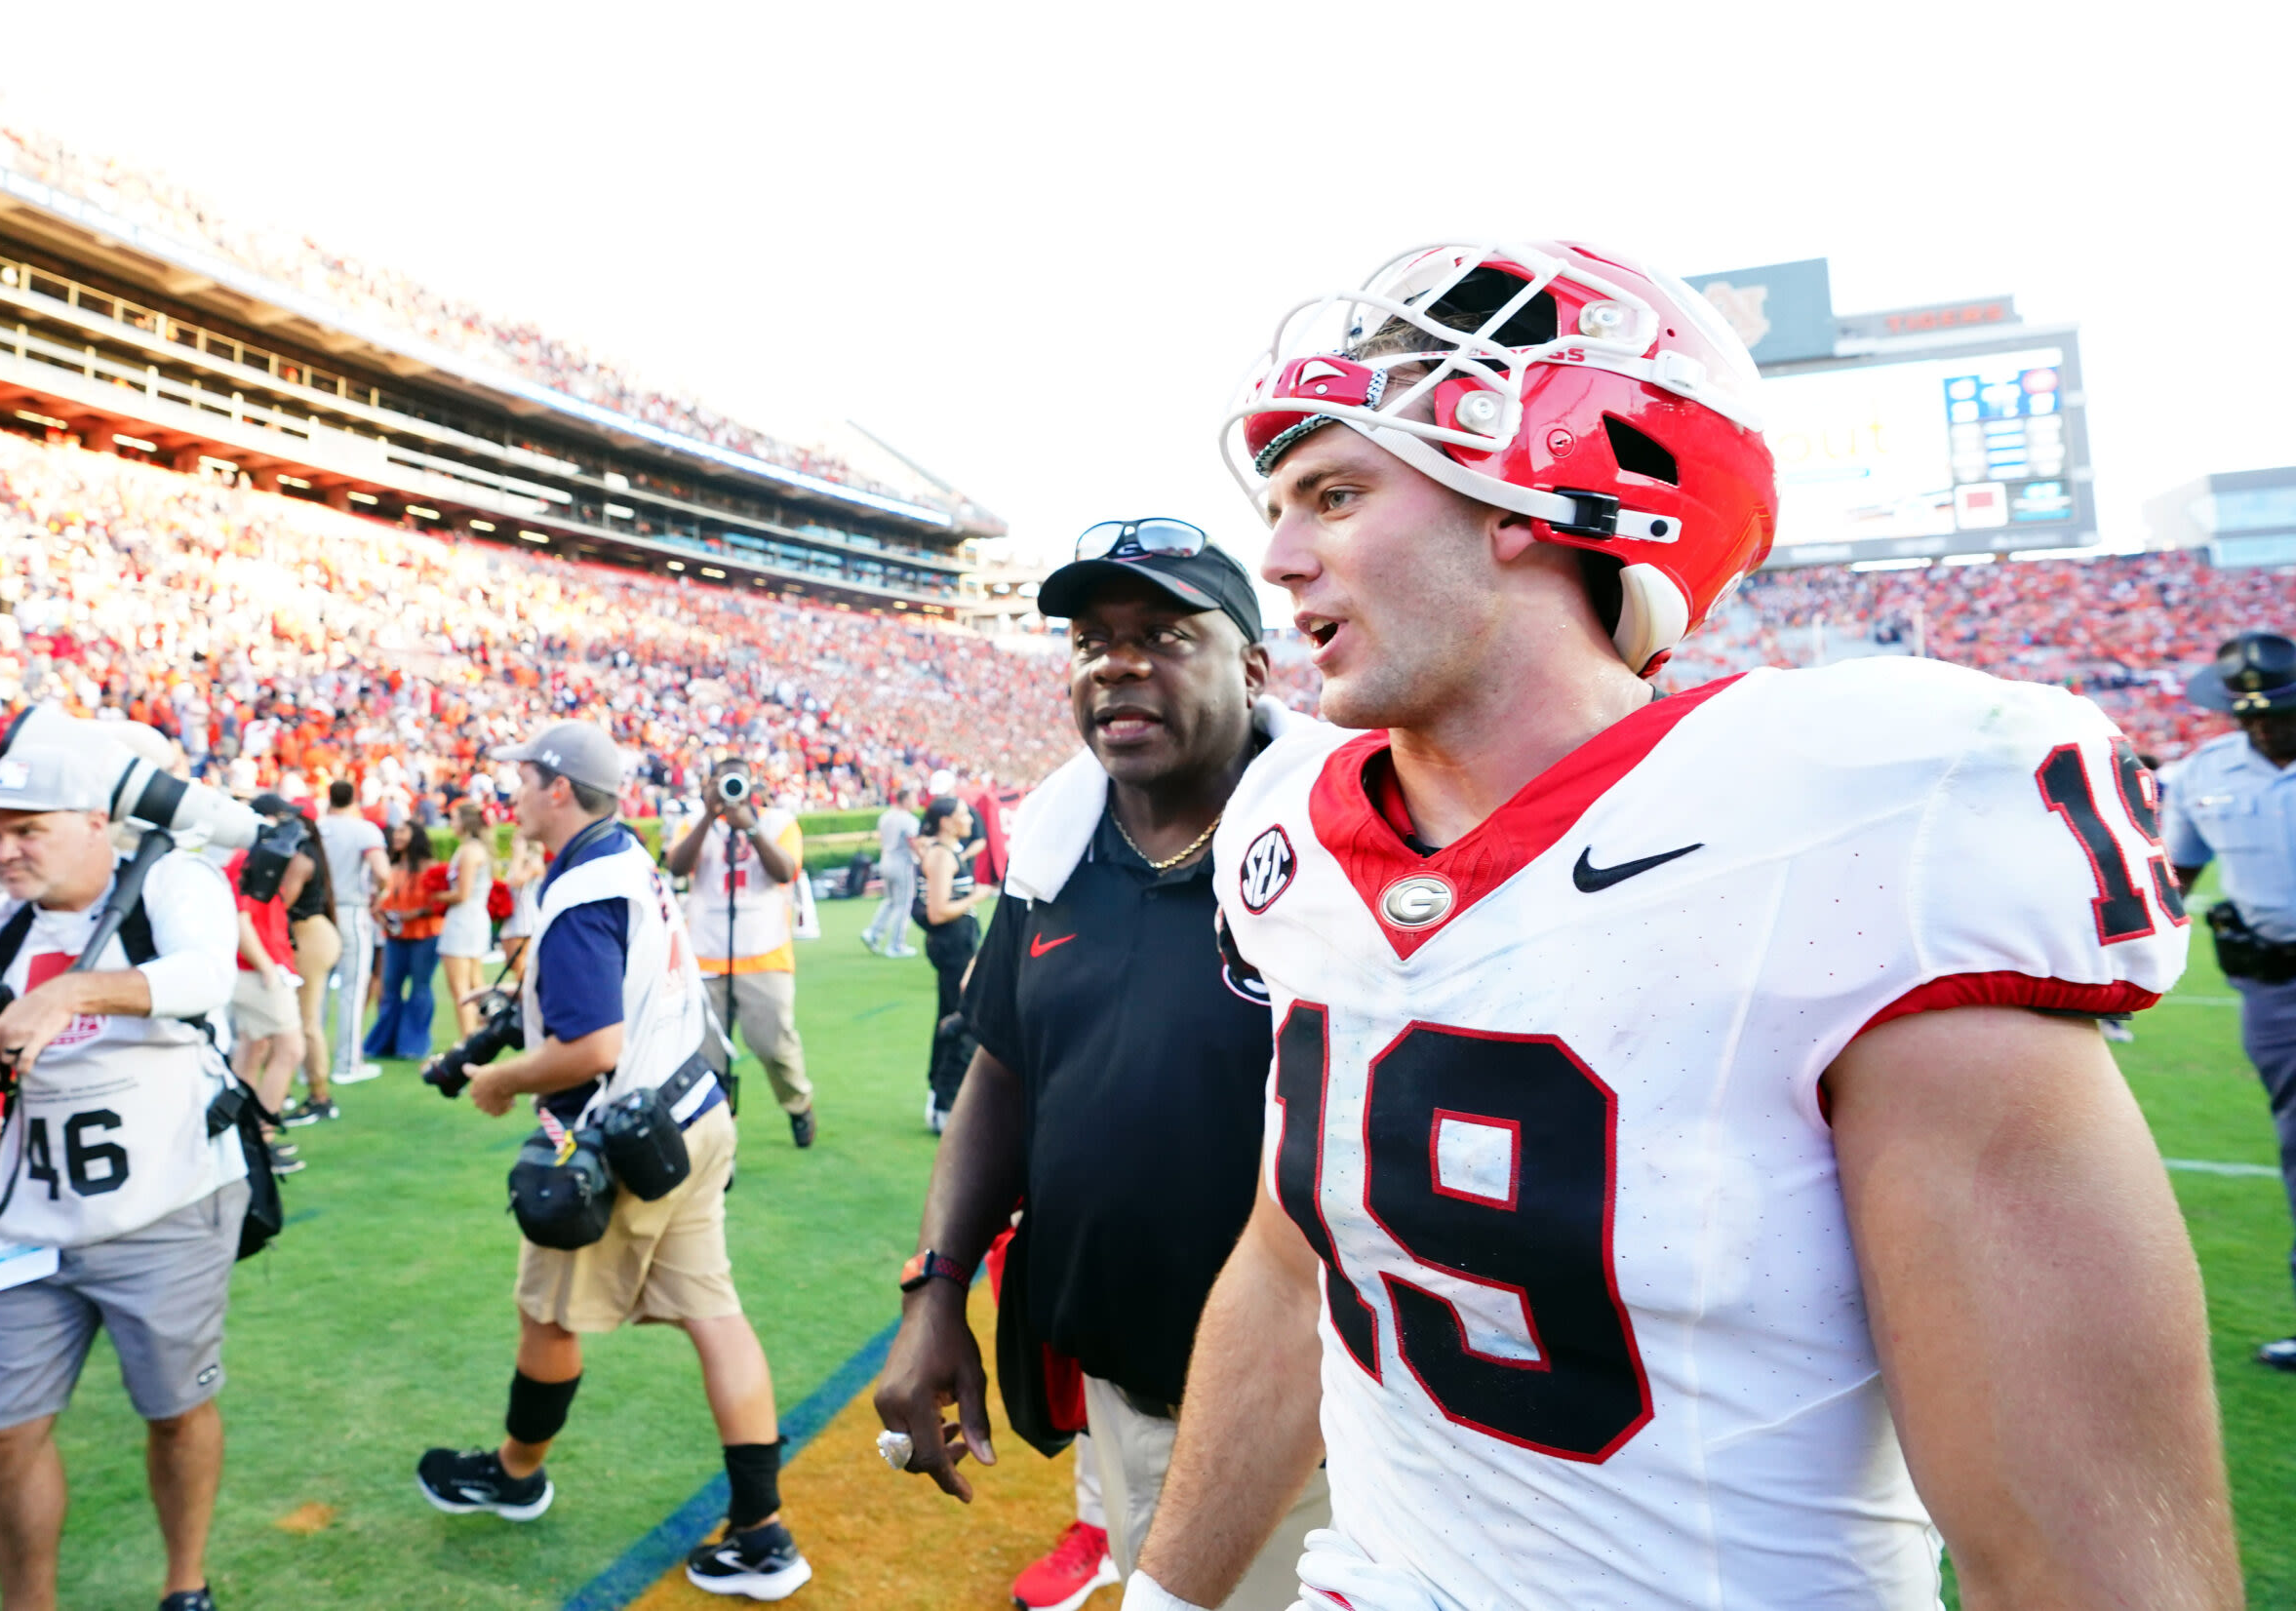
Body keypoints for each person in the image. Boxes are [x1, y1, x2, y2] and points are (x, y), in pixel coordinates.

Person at [1121, 241, 2234, 1610]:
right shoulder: (1289, 830)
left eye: (1336, 496)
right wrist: (1166, 1596)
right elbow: (1296, 1264)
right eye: (1283, 506)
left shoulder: (1864, 815)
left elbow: (2089, 1568)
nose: (1279, 560)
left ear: (1533, 496)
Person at [873, 530, 1327, 1611]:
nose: (1116, 664)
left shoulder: (1331, 839)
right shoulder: (1055, 852)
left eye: (1165, 635)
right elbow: (1005, 1070)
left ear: (1254, 668)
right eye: (1092, 641)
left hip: (1302, 1416)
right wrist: (935, 1283)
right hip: (1122, 1392)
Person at [415, 722, 811, 1600]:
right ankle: (762, 1531)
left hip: (624, 1133)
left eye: (523, 777)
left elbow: (593, 1044)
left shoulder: (582, 888)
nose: (512, 793)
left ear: (559, 788)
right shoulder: (623, 856)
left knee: (549, 1319)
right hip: (692, 1114)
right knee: (715, 1316)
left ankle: (515, 1475)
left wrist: (505, 1080)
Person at [0, 735, 246, 1611]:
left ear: (98, 822)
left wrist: (73, 992)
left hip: (166, 1205)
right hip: (28, 1216)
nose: (3, 849)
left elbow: (205, 975)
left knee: (173, 1412)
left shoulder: (170, 881)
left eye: (27, 829)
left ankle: (185, 1583)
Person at [2161, 630, 2296, 1371]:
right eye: (2246, 714)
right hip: (2276, 990)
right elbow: (2173, 877)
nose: (2259, 726)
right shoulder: (2204, 774)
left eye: (2276, 711)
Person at [666, 758, 817, 1149]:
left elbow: (786, 872)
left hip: (763, 952)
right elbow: (678, 866)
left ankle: (798, 1102)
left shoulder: (778, 822)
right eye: (720, 783)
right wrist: (707, 815)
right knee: (707, 1057)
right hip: (705, 953)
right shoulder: (695, 824)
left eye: (735, 783)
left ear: (752, 785)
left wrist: (748, 825)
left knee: (773, 1045)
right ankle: (718, 1133)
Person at [224, 813, 307, 1176]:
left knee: (252, 1050)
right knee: (289, 1049)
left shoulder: (253, 857)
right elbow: (239, 920)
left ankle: (241, 1140)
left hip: (256, 966)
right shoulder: (246, 859)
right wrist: (267, 967)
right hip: (257, 970)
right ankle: (261, 1140)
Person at [910, 796, 983, 1132]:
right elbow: (938, 911)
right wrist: (975, 897)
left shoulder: (949, 852)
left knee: (952, 1016)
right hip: (952, 948)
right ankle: (945, 1103)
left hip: (958, 944)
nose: (969, 818)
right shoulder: (941, 856)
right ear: (945, 821)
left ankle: (941, 1096)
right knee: (961, 1020)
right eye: (963, 814)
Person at [317, 781, 390, 1084]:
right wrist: (378, 895)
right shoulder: (363, 830)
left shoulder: (317, 827)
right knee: (352, 989)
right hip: (350, 909)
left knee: (315, 992)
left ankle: (311, 1064)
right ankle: (347, 1064)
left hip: (317, 914)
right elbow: (383, 873)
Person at [279, 806, 341, 1127]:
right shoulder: (308, 854)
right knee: (300, 1019)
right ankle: (292, 1089)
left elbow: (282, 901)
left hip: (310, 937)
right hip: (315, 934)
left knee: (306, 1021)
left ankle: (320, 1096)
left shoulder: (301, 858)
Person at [364, 821, 442, 1062]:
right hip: (394, 936)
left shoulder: (431, 868)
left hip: (425, 935)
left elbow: (439, 902)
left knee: (420, 988)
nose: (396, 836)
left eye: (402, 831)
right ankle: (383, 1043)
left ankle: (413, 1045)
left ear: (415, 836)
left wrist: (414, 914)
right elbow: (378, 899)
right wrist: (380, 914)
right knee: (390, 990)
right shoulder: (390, 868)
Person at [439, 803, 495, 1043]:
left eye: (454, 819)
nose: (451, 823)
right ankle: (481, 1038)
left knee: (462, 989)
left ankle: (468, 1042)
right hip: (474, 918)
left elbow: (462, 893)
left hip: (464, 919)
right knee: (475, 983)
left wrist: (432, 896)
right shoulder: (476, 849)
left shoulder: (470, 852)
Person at [862, 785, 921, 958]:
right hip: (902, 862)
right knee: (904, 905)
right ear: (906, 800)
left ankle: (873, 932)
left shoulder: (886, 816)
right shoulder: (908, 819)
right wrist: (924, 858)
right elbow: (912, 842)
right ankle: (896, 945)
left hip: (886, 860)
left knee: (890, 901)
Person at [497, 830, 544, 971]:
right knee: (512, 965)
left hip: (525, 921)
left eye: (517, 841)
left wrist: (519, 855)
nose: (513, 844)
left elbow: (516, 881)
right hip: (513, 918)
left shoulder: (534, 861)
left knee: (522, 966)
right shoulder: (520, 861)